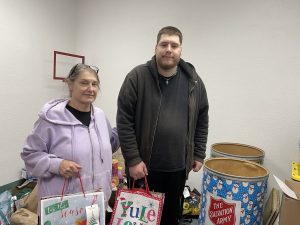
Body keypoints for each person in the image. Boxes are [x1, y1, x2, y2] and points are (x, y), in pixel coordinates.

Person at [117, 26, 209, 225]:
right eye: (164, 44)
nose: (169, 49)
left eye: (174, 45)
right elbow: (124, 120)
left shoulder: (194, 81)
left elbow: (202, 119)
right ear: (156, 47)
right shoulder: (137, 77)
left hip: (178, 169)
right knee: (140, 220)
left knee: (169, 219)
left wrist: (199, 153)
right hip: (144, 168)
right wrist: (132, 159)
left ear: (180, 50)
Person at [21, 63, 119, 215]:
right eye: (84, 83)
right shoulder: (51, 119)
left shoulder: (100, 116)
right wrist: (57, 164)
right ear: (70, 84)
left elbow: (109, 144)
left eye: (95, 84)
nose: (91, 88)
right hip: (62, 210)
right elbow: (30, 154)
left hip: (95, 205)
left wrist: (130, 123)